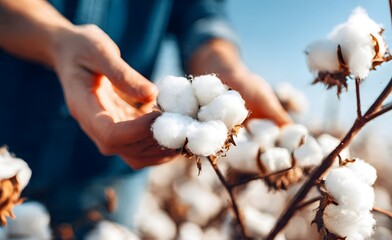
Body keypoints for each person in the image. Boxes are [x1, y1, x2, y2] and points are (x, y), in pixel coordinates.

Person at [0, 0, 291, 237]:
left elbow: (201, 14)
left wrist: (222, 66)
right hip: (7, 152)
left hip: (111, 176)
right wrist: (58, 41)